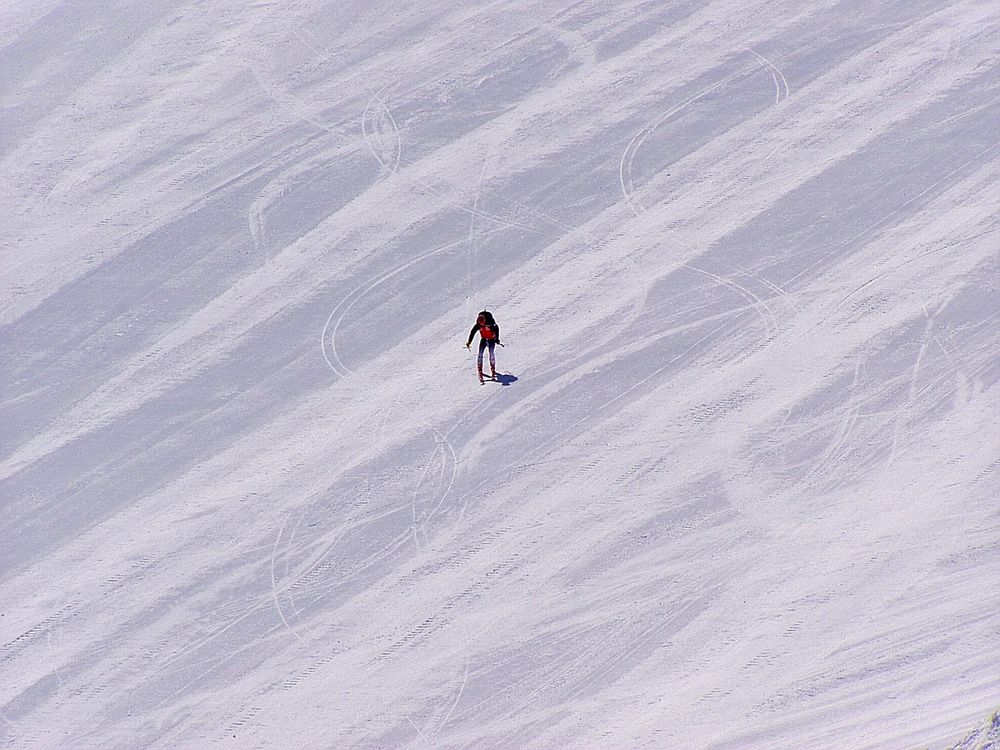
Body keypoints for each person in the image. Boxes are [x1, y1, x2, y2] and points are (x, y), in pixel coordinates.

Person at [465, 310, 501, 383]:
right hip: (484, 339)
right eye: (480, 323)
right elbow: (472, 332)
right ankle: (480, 369)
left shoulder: (490, 323)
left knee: (491, 353)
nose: (481, 324)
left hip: (491, 339)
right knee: (480, 354)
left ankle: (493, 369)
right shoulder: (478, 325)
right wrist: (469, 342)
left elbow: (496, 328)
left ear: (484, 320)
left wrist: (496, 338)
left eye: (482, 323)